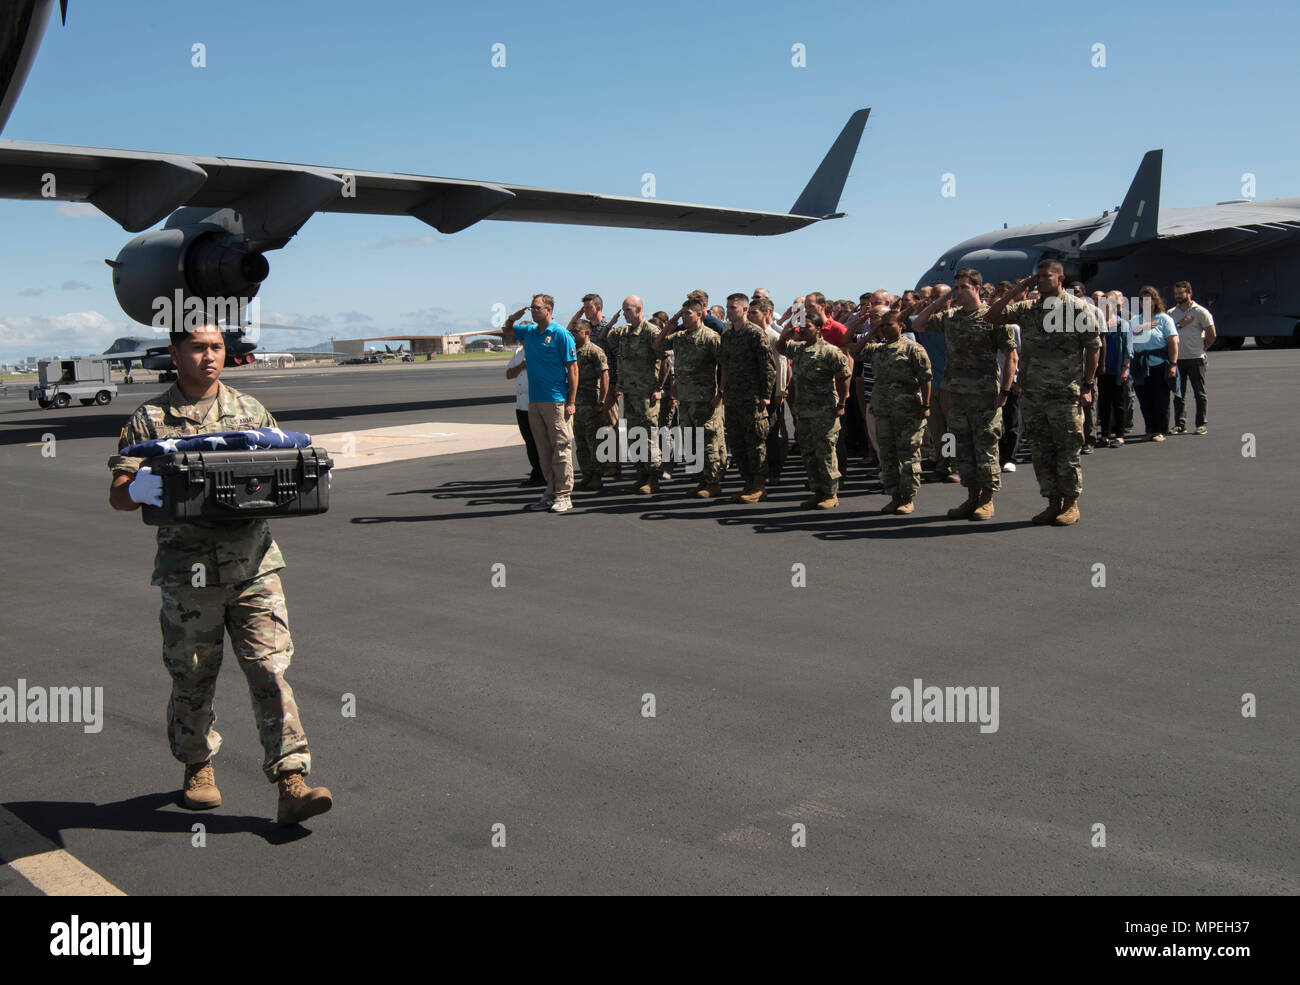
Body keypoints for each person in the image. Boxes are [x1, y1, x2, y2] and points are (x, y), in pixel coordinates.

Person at [107, 324, 333, 826]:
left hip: (254, 566)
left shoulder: (251, 413)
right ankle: (198, 767)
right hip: (188, 576)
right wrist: (138, 490)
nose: (209, 357)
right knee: (191, 676)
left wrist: (308, 476)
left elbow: (282, 466)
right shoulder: (149, 418)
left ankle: (291, 780)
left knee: (270, 671)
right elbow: (119, 492)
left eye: (216, 348)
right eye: (198, 348)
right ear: (175, 353)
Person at [986, 260, 1100, 525]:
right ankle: (1052, 502)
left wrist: (1087, 385)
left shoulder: (1078, 308)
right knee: (1041, 451)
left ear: (1060, 278)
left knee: (1067, 450)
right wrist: (1017, 290)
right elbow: (991, 317)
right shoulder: (1027, 309)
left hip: (1064, 393)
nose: (1040, 280)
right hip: (1033, 394)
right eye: (1037, 276)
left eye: (1046, 276)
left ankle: (1071, 503)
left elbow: (1094, 347)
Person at [911, 268, 1017, 521]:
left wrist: (1005, 390)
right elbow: (918, 324)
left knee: (986, 449)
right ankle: (971, 497)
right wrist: (940, 299)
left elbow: (1011, 356)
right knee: (964, 450)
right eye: (956, 288)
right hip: (955, 394)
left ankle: (987, 500)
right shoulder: (951, 317)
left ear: (977, 288)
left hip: (984, 396)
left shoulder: (993, 316)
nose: (959, 292)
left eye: (964, 288)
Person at [851, 311, 932, 514]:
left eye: (889, 325)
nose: (885, 328)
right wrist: (871, 333)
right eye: (883, 326)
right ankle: (894, 496)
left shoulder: (913, 349)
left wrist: (926, 405)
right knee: (887, 455)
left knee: (908, 454)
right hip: (883, 408)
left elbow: (925, 378)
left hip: (908, 409)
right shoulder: (878, 349)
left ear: (901, 326)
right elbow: (855, 352)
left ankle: (908, 497)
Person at [505, 295, 578, 511]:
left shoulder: (560, 334)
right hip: (535, 402)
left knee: (561, 448)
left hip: (556, 401)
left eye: (536, 308)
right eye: (531, 308)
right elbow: (507, 332)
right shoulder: (529, 332)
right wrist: (512, 318)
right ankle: (551, 491)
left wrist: (571, 401)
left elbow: (573, 369)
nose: (532, 311)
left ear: (548, 309)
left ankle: (564, 495)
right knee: (543, 450)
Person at [778, 310, 852, 509]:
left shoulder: (830, 351)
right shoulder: (799, 349)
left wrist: (842, 403)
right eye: (801, 327)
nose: (802, 330)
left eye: (807, 327)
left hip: (824, 411)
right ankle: (817, 491)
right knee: (809, 454)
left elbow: (845, 376)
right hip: (803, 411)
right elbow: (780, 347)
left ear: (819, 329)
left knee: (825, 453)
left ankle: (830, 493)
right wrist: (787, 331)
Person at [655, 297, 724, 496]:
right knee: (691, 441)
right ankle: (702, 481)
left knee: (708, 441)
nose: (684, 317)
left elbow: (724, 366)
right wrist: (672, 321)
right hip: (685, 398)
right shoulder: (680, 336)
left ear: (700, 314)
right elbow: (658, 345)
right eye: (682, 313)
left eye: (688, 314)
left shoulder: (710, 337)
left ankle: (713, 483)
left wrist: (721, 393)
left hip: (705, 399)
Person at [718, 293, 776, 502]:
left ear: (744, 310)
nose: (730, 311)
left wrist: (765, 395)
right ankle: (747, 483)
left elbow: (768, 368)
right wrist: (722, 391)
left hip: (752, 399)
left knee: (755, 443)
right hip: (733, 398)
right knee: (737, 442)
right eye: (728, 307)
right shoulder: (728, 335)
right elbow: (724, 366)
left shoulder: (755, 334)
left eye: (733, 308)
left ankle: (759, 485)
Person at [606, 295, 667, 493]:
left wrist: (659, 387)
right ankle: (641, 475)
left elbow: (666, 360)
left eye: (628, 310)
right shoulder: (623, 332)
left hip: (646, 394)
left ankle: (653, 478)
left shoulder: (651, 331)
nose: (625, 314)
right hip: (630, 393)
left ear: (639, 309)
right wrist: (612, 322)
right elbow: (603, 338)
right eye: (623, 310)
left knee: (649, 436)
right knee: (633, 437)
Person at [1128, 286, 1179, 441]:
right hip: (1140, 365)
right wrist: (1143, 327)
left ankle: (1160, 430)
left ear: (1155, 301)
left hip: (1158, 363)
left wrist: (1173, 364)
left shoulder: (1164, 319)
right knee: (1144, 399)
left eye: (1148, 299)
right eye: (1142, 299)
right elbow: (1128, 337)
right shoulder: (1135, 320)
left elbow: (1173, 342)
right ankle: (1149, 429)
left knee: (1160, 398)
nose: (1144, 302)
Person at [1169, 280, 1215, 434]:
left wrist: (1203, 348)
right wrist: (1180, 324)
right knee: (1178, 394)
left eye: (1181, 293)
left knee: (1199, 393)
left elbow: (1211, 334)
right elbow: (1166, 334)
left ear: (1189, 293)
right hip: (1177, 359)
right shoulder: (1170, 313)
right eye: (1176, 293)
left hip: (1196, 358)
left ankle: (1201, 424)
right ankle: (1180, 424)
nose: (1178, 296)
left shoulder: (1200, 312)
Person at [572, 320, 610, 491]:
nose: (573, 334)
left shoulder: (595, 351)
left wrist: (602, 401)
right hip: (577, 404)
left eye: (576, 331)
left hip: (590, 402)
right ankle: (586, 474)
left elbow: (605, 376)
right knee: (580, 443)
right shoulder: (573, 350)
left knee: (593, 441)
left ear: (586, 333)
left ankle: (596, 476)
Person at [1096, 292, 1133, 447]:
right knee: (1103, 403)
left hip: (1118, 370)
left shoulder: (1122, 324)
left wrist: (1125, 368)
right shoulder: (1097, 324)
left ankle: (1119, 435)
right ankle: (1104, 435)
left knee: (1119, 403)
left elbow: (1128, 349)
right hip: (1102, 371)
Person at [505, 346, 544, 486]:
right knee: (529, 441)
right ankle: (537, 472)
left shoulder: (539, 349)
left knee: (540, 441)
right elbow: (509, 374)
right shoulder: (518, 352)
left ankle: (544, 474)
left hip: (536, 402)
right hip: (521, 404)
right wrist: (521, 366)